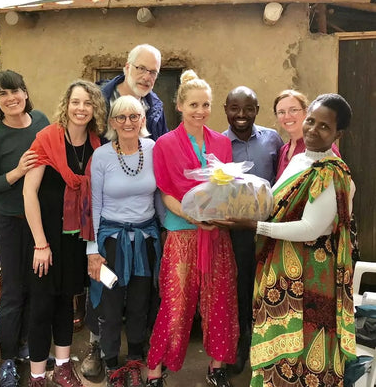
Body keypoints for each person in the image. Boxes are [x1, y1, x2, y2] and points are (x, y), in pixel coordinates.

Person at [216, 93, 356, 387]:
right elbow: (275, 200)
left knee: (303, 352)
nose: (312, 130)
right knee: (278, 351)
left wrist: (255, 226)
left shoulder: (330, 173)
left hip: (310, 278)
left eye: (324, 127)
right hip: (282, 272)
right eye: (311, 121)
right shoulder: (300, 160)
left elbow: (310, 229)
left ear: (338, 134)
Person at [146, 70, 239, 387]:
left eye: (206, 105)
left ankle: (217, 366)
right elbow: (166, 192)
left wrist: (218, 214)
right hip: (182, 233)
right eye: (194, 104)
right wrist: (192, 216)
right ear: (180, 106)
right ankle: (156, 369)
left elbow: (224, 189)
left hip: (216, 234)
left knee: (220, 300)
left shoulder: (222, 144)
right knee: (176, 303)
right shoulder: (165, 145)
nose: (200, 111)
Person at [81, 43, 169, 379]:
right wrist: (92, 250)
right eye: (122, 116)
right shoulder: (102, 155)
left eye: (135, 116)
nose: (128, 121)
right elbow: (94, 206)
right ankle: (110, 361)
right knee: (108, 301)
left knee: (140, 302)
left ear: (145, 118)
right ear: (111, 120)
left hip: (145, 238)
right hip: (111, 240)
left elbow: (161, 195)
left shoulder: (153, 147)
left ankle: (135, 358)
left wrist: (170, 230)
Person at [22, 80, 106, 387]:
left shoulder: (97, 145)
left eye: (88, 103)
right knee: (42, 305)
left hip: (75, 238)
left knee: (66, 304)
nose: (81, 108)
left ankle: (63, 367)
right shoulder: (47, 139)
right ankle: (36, 375)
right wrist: (40, 243)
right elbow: (29, 192)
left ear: (95, 109)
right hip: (45, 237)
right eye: (76, 102)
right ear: (66, 105)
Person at [0, 70, 50, 387]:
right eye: (3, 94)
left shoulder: (40, 121)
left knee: (39, 289)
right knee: (13, 292)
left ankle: (29, 348)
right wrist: (17, 171)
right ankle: (7, 359)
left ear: (25, 92)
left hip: (42, 220)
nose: (11, 98)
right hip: (9, 222)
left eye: (16, 91)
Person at [222, 86, 283, 374]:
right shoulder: (220, 144)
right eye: (235, 108)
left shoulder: (273, 139)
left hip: (272, 228)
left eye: (248, 108)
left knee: (272, 287)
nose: (241, 115)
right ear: (226, 110)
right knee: (242, 288)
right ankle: (242, 345)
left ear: (257, 110)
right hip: (237, 232)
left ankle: (270, 347)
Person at [274, 89, 339, 178]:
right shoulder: (283, 150)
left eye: (293, 110)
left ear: (306, 112)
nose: (287, 116)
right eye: (281, 112)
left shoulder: (323, 147)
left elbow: (337, 184)